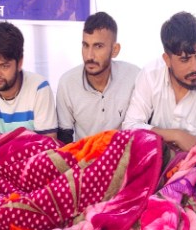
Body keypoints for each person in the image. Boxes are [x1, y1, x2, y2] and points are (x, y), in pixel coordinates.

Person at [122, 11, 196, 151]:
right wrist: (175, 135)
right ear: (167, 59)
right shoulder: (151, 75)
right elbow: (130, 126)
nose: (195, 67)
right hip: (155, 158)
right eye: (185, 59)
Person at [0, 21, 57, 150]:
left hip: (29, 161)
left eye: (4, 66)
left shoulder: (39, 88)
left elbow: (48, 150)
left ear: (20, 63)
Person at [56, 12, 139, 143]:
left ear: (115, 50)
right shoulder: (67, 83)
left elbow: (141, 128)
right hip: (83, 154)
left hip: (125, 152)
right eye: (85, 45)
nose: (89, 56)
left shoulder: (134, 76)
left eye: (98, 46)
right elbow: (64, 138)